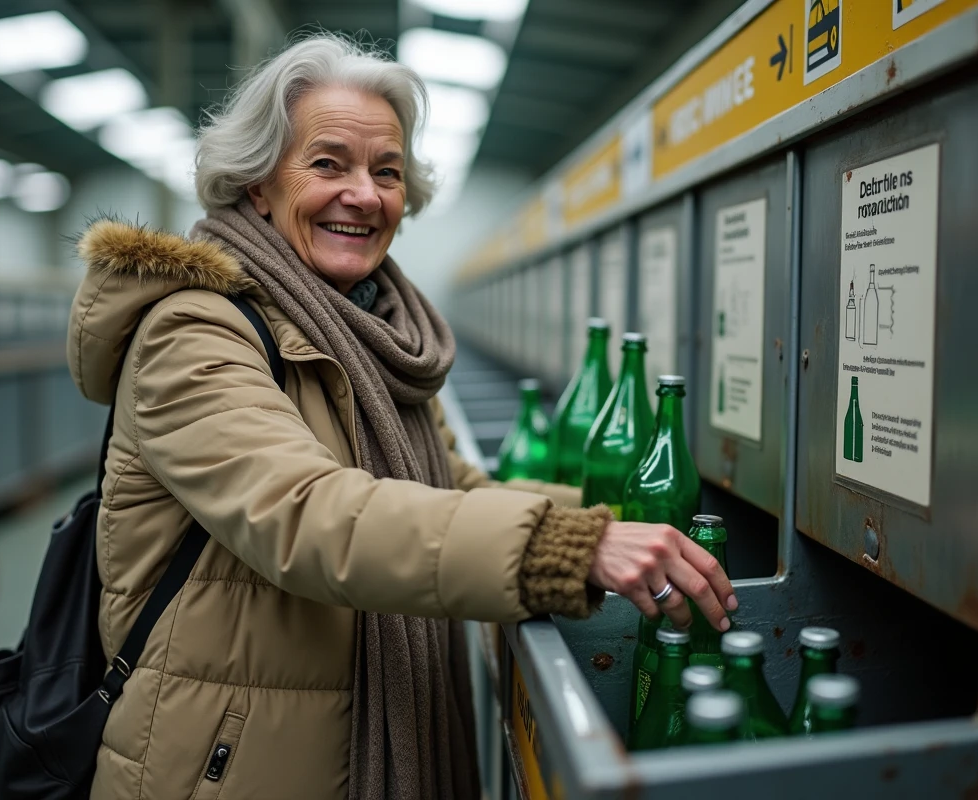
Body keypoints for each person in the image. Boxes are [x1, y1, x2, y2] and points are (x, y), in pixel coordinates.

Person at [67, 33, 734, 800]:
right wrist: (564, 547)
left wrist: (627, 520)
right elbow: (306, 514)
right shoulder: (191, 333)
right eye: (328, 163)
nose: (365, 194)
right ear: (256, 186)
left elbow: (455, 487)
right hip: (229, 768)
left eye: (387, 172)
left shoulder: (376, 338)